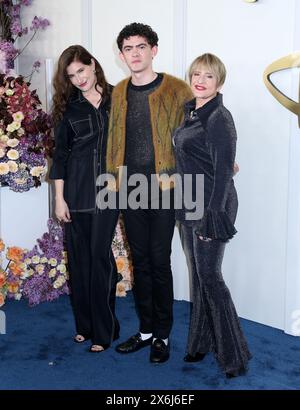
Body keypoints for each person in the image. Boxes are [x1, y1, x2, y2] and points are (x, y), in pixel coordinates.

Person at [106, 23, 193, 363]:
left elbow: (194, 135)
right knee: (139, 261)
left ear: (154, 49)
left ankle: (163, 335)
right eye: (129, 48)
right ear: (121, 55)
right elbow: (113, 142)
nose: (135, 54)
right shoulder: (119, 92)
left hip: (164, 187)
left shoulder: (177, 89)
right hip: (129, 187)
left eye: (141, 46)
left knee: (160, 261)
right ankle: (145, 331)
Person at [173, 53, 251, 377]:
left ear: (219, 82)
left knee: (210, 277)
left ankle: (235, 356)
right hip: (189, 201)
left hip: (212, 206)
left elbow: (222, 173)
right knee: (197, 275)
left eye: (208, 76)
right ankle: (200, 343)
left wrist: (212, 217)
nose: (200, 80)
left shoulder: (219, 116)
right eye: (196, 74)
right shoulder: (189, 112)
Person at [49, 45, 120, 353]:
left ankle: (105, 332)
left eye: (81, 70)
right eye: (71, 75)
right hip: (76, 195)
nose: (78, 79)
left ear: (93, 65)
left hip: (110, 192)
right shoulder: (68, 109)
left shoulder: (119, 99)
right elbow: (61, 157)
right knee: (79, 262)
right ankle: (85, 326)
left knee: (100, 259)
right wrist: (59, 199)